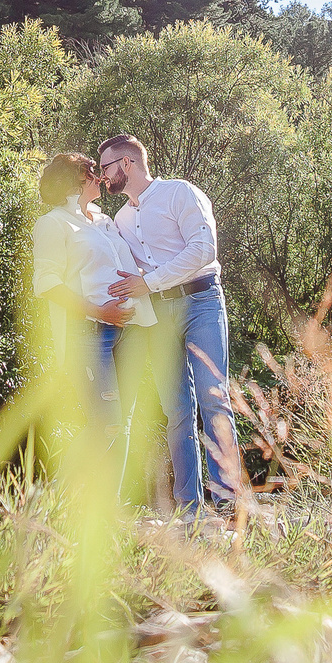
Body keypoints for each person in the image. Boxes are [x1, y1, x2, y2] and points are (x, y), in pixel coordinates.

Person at [97, 134, 235, 513]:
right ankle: (188, 509)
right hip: (158, 316)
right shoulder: (121, 219)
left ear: (126, 164)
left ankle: (227, 503)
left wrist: (149, 282)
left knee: (214, 399)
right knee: (177, 410)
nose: (102, 176)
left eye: (106, 168)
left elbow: (204, 249)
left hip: (201, 302)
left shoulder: (180, 193)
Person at [29, 152, 153, 412]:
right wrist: (99, 312)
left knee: (124, 425)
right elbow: (46, 283)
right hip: (89, 334)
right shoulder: (52, 223)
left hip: (131, 329)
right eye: (90, 172)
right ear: (73, 181)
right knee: (106, 425)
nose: (99, 178)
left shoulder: (104, 221)